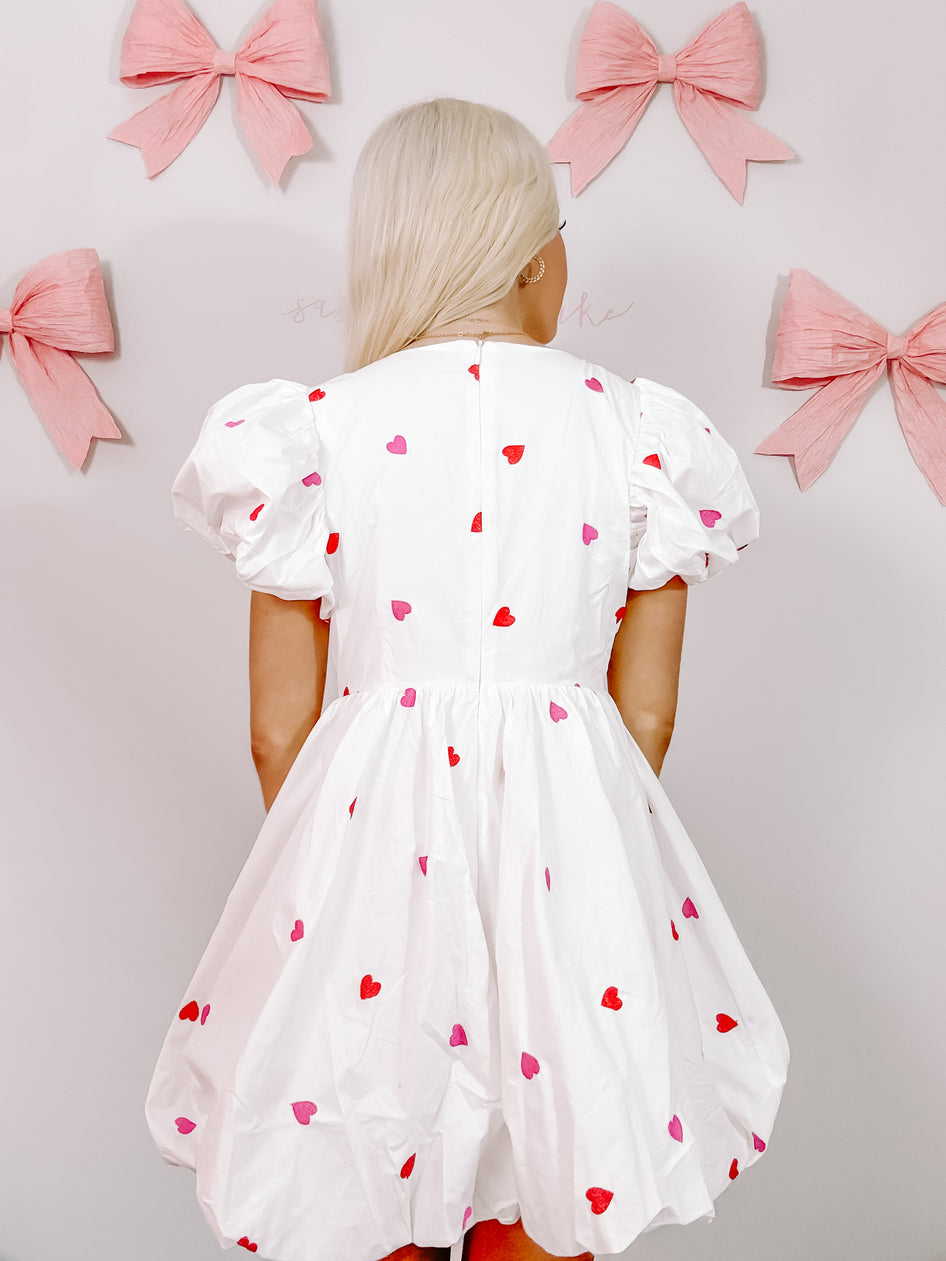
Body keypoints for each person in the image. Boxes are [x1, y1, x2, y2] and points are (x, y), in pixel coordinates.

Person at [148, 98, 790, 1261]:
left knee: (361, 1173)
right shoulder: (635, 433)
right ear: (539, 255)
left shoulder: (312, 434)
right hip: (573, 865)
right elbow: (644, 710)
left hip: (368, 868)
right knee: (553, 1176)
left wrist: (338, 877)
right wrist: (569, 841)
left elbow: (274, 727)